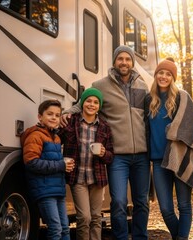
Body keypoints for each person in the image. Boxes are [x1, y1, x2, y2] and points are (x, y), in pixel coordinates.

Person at [61, 45, 150, 240]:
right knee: (118, 201)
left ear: (132, 62)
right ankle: (120, 237)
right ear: (114, 61)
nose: (124, 62)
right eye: (120, 59)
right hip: (118, 155)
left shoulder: (142, 86)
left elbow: (150, 116)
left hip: (142, 155)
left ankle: (140, 237)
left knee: (142, 202)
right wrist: (68, 112)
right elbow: (83, 103)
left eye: (128, 59)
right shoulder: (101, 85)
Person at [144, 58, 193, 240]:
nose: (164, 77)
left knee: (184, 205)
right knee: (165, 208)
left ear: (173, 78)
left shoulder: (182, 97)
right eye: (161, 72)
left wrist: (173, 130)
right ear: (156, 75)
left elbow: (192, 125)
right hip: (159, 161)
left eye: (168, 74)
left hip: (180, 157)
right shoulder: (148, 100)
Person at [58, 88, 114, 240]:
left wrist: (103, 153)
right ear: (82, 103)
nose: (92, 104)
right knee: (84, 218)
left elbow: (110, 157)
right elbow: (55, 141)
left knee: (96, 217)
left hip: (97, 178)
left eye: (96, 102)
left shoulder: (104, 127)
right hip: (77, 177)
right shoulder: (70, 121)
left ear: (99, 106)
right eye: (88, 101)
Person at [21, 99, 74, 240]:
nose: (54, 118)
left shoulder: (56, 138)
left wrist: (63, 165)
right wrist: (61, 165)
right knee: (55, 230)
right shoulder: (35, 135)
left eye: (57, 115)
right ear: (40, 116)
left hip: (58, 190)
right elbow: (31, 162)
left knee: (65, 229)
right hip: (44, 191)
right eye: (50, 114)